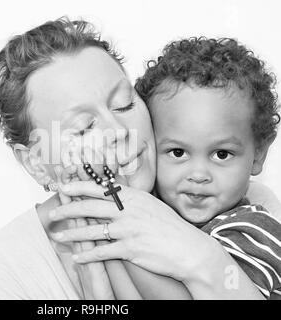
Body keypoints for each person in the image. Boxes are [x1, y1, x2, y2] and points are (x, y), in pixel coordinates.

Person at [0, 18, 281, 299]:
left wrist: (205, 259)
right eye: (84, 127)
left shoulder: (236, 199)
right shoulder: (2, 265)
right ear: (36, 161)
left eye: (124, 105)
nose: (118, 131)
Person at [50, 37, 281, 299]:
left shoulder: (254, 231)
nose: (198, 175)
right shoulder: (157, 209)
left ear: (258, 154)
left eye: (221, 154)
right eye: (178, 152)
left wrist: (114, 221)